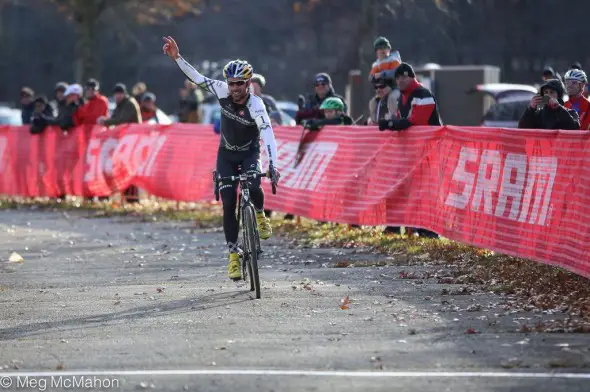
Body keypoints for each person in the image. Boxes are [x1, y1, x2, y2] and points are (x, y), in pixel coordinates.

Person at [162, 36, 280, 281]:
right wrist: (177, 59)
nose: (234, 88)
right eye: (231, 83)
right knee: (228, 203)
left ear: (248, 83)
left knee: (255, 183)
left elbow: (268, 134)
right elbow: (196, 78)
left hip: (249, 152)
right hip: (225, 153)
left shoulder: (257, 105)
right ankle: (233, 256)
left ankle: (259, 214)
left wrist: (273, 164)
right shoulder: (220, 89)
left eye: (239, 84)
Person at [378, 62, 442, 132]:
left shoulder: (424, 95)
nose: (400, 81)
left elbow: (416, 123)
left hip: (432, 140)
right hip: (417, 141)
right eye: (397, 78)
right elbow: (400, 120)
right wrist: (388, 122)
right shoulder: (402, 97)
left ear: (412, 78)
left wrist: (390, 124)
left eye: (404, 77)